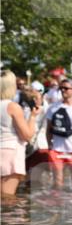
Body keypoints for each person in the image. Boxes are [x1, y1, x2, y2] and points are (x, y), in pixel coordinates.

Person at [1, 70, 41, 198]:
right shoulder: (12, 107)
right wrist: (33, 117)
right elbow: (27, 135)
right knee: (7, 197)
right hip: (10, 151)